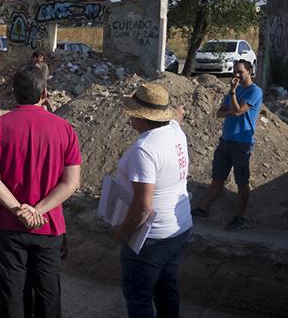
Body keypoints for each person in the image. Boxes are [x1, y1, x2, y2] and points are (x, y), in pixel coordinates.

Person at [0, 65, 82, 318]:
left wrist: (20, 210)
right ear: (44, 93)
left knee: (13, 291)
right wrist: (37, 211)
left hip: (7, 224)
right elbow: (71, 183)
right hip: (48, 226)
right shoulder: (65, 129)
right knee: (48, 291)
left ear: (14, 94)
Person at [113, 83, 192, 317]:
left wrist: (122, 232)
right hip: (178, 229)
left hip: (150, 239)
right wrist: (177, 111)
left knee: (139, 299)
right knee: (167, 291)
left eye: (133, 113)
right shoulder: (175, 130)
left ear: (143, 117)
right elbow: (177, 115)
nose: (129, 118)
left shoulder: (144, 149)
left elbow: (143, 207)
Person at [192, 59, 263, 231]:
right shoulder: (235, 90)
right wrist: (232, 107)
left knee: (242, 181)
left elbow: (239, 111)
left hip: (242, 142)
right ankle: (203, 209)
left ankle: (239, 217)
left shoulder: (254, 91)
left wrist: (232, 95)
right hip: (226, 140)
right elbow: (219, 113)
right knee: (217, 178)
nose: (236, 75)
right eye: (235, 71)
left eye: (240, 72)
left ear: (249, 71)